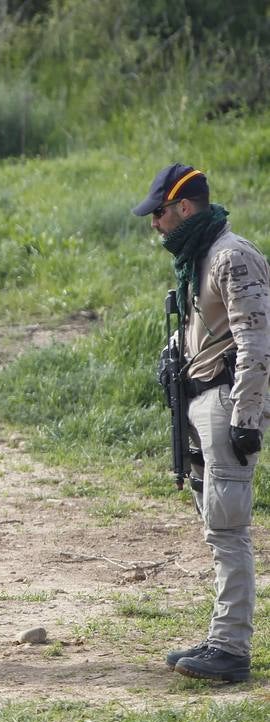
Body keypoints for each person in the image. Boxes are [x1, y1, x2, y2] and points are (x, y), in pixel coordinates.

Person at [136, 164, 270, 683]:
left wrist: (246, 416)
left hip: (226, 402)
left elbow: (257, 340)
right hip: (201, 398)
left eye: (161, 214)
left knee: (228, 527)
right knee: (216, 525)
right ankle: (221, 634)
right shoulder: (199, 258)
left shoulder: (232, 257)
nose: (157, 225)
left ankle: (231, 649)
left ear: (184, 207)